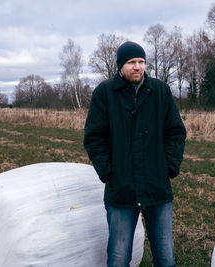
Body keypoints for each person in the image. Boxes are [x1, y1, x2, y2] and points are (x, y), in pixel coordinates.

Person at [83, 41, 186, 267]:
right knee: (119, 258)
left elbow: (175, 132)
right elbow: (94, 137)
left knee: (166, 258)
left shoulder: (160, 91)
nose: (137, 67)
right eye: (131, 62)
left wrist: (169, 166)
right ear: (120, 66)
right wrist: (108, 172)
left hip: (157, 188)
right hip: (121, 190)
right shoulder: (105, 93)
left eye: (141, 62)